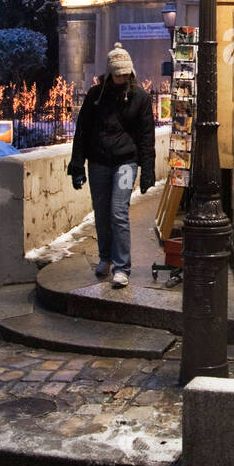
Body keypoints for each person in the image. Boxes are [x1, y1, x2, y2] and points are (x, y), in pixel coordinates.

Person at [67, 44, 156, 289]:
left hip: (126, 163)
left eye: (124, 73)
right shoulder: (95, 96)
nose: (120, 78)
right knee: (102, 212)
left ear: (130, 72)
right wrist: (77, 165)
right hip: (98, 163)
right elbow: (82, 131)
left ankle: (122, 266)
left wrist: (148, 170)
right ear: (109, 73)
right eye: (116, 74)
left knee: (118, 212)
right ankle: (105, 257)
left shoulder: (140, 98)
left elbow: (146, 137)